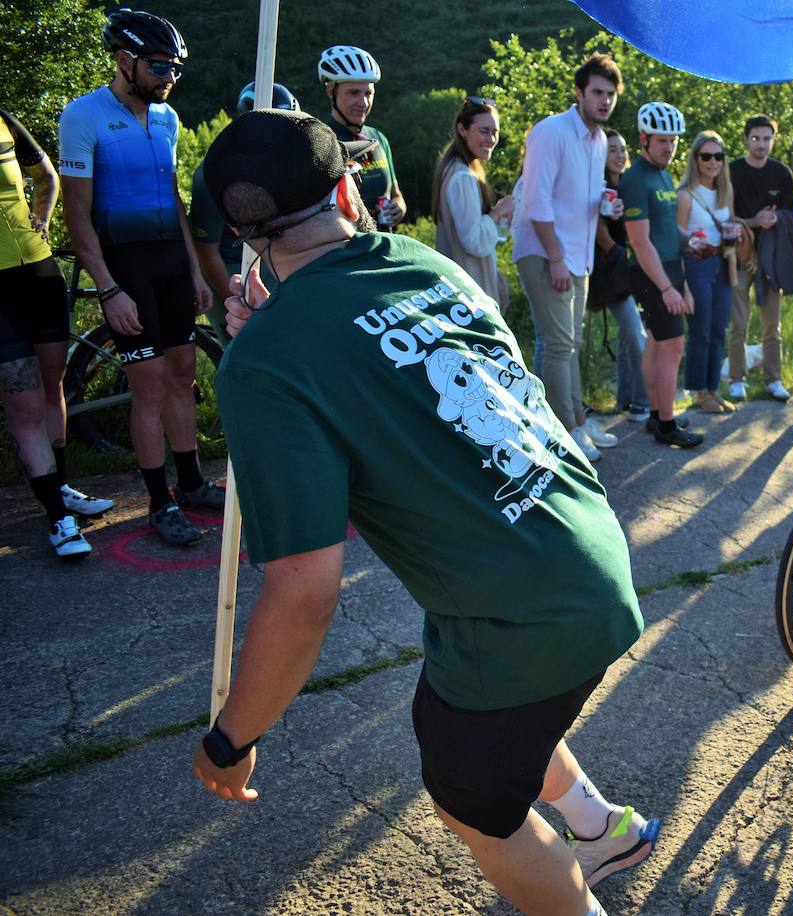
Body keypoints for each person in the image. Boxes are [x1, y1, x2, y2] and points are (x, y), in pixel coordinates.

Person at [193, 109, 659, 916]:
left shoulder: (264, 362)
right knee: (476, 715)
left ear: (239, 235)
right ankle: (602, 829)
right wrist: (276, 336)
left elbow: (305, 594)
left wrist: (232, 738)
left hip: (520, 615)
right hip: (590, 549)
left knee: (471, 800)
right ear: (348, 186)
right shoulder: (419, 260)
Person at [58, 9, 223, 546]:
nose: (169, 77)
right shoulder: (83, 116)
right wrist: (108, 289)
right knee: (148, 387)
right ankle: (158, 502)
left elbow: (172, 200)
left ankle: (193, 483)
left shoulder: (168, 119)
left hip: (170, 264)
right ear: (124, 61)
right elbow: (77, 217)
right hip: (125, 268)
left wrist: (195, 269)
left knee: (181, 374)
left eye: (175, 68)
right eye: (159, 67)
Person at [0, 108, 114, 558]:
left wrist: (42, 220)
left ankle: (60, 487)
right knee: (24, 403)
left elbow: (46, 172)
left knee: (53, 386)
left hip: (38, 270)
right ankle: (58, 520)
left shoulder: (6, 117)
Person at [513, 53, 624, 461]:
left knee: (565, 344)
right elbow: (536, 202)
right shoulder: (552, 132)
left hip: (578, 255)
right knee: (560, 345)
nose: (604, 100)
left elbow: (580, 197)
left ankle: (564, 420)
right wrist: (556, 258)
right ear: (579, 92)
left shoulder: (598, 140)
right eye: (597, 92)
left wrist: (604, 208)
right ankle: (567, 432)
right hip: (546, 253)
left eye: (610, 94)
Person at [191, 81, 300, 344]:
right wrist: (238, 301)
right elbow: (206, 252)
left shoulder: (286, 165)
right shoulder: (212, 174)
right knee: (245, 348)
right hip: (230, 266)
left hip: (271, 260)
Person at [620, 102, 703, 448]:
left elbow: (667, 230)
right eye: (662, 141)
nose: (669, 147)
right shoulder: (635, 178)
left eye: (673, 141)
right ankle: (667, 426)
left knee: (657, 342)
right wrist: (668, 288)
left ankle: (657, 415)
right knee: (673, 347)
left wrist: (690, 243)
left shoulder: (664, 174)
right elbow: (640, 242)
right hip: (652, 271)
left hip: (669, 266)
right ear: (643, 139)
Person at [726, 114, 793, 402]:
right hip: (739, 254)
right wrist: (753, 220)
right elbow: (724, 216)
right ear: (745, 139)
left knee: (772, 324)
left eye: (767, 138)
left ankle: (773, 379)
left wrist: (775, 217)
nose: (761, 144)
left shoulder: (781, 173)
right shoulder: (731, 171)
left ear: (773, 140)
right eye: (755, 138)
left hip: (770, 257)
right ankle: (736, 379)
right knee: (738, 323)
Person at [676, 131, 740, 415]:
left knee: (719, 330)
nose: (713, 162)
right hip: (697, 263)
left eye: (718, 156)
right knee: (700, 330)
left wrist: (734, 233)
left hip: (723, 263)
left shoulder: (726, 191)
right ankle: (699, 391)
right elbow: (675, 232)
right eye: (706, 156)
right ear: (695, 159)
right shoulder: (686, 194)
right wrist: (691, 241)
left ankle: (713, 389)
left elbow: (731, 222)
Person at [433, 96, 515, 307]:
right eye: (484, 131)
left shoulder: (453, 169)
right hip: (471, 294)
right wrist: (497, 213)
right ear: (463, 130)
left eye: (495, 132)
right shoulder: (463, 178)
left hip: (460, 289)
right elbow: (474, 241)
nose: (491, 139)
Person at [592, 128, 650, 422]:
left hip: (635, 270)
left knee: (628, 338)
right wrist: (619, 253)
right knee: (635, 335)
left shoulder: (630, 185)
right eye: (612, 149)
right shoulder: (596, 186)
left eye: (623, 149)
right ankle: (643, 403)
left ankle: (626, 401)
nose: (619, 155)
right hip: (612, 274)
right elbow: (600, 234)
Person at [318, 45, 405, 229]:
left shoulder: (378, 138)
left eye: (368, 93)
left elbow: (396, 194)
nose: (363, 102)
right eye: (354, 93)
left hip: (383, 249)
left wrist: (399, 207)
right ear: (330, 91)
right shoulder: (322, 142)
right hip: (347, 252)